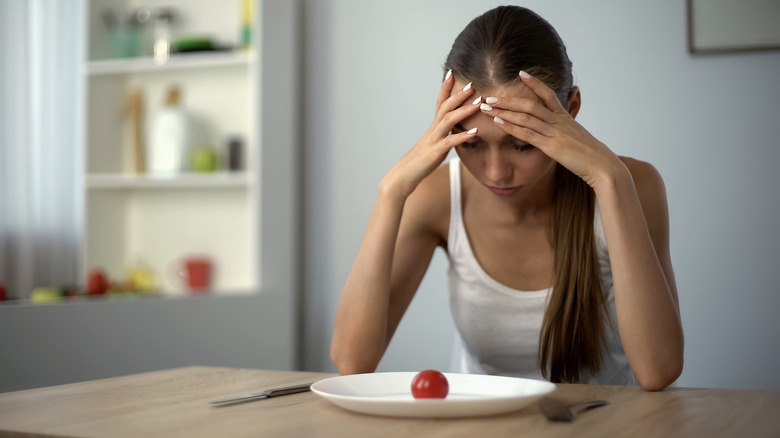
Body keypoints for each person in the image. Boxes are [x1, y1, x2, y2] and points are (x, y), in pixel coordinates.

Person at [330, 5, 683, 391]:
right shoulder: (437, 199)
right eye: (473, 143)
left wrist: (610, 177)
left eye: (521, 144)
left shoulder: (631, 185)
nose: (495, 172)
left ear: (572, 109)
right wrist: (391, 191)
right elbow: (352, 360)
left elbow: (658, 370)